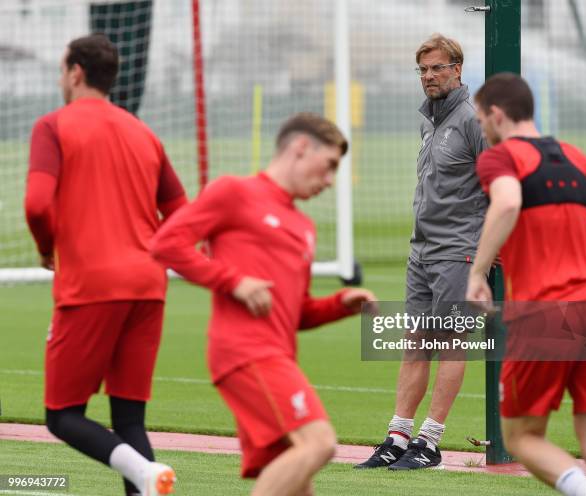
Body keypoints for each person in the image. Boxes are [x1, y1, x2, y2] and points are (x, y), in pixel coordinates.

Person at [151, 113, 376, 496]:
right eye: (329, 166)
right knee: (320, 443)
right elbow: (165, 245)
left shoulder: (305, 228)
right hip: (245, 353)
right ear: (301, 147)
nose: (329, 181)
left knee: (298, 485)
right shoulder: (233, 192)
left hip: (277, 355)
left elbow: (296, 313)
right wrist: (233, 281)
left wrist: (341, 304)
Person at [24, 34, 187, 496]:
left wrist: (46, 246)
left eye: (62, 70)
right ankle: (146, 479)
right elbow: (182, 214)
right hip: (148, 287)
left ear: (76, 72)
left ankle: (144, 475)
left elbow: (37, 205)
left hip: (93, 285)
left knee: (63, 414)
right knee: (130, 419)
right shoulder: (142, 132)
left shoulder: (53, 126)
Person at [466, 72, 586, 496]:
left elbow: (509, 201)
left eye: (479, 120)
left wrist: (476, 274)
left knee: (521, 437)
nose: (481, 129)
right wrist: (582, 254)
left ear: (495, 114)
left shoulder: (502, 157)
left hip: (545, 314)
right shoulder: (577, 157)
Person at [355, 33, 487, 470]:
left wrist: (487, 256)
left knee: (451, 342)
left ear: (457, 69)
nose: (429, 76)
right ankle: (397, 436)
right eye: (423, 69)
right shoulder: (428, 120)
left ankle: (429, 442)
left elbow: (502, 189)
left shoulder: (474, 120)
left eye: (437, 68)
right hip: (422, 252)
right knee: (414, 342)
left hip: (459, 252)